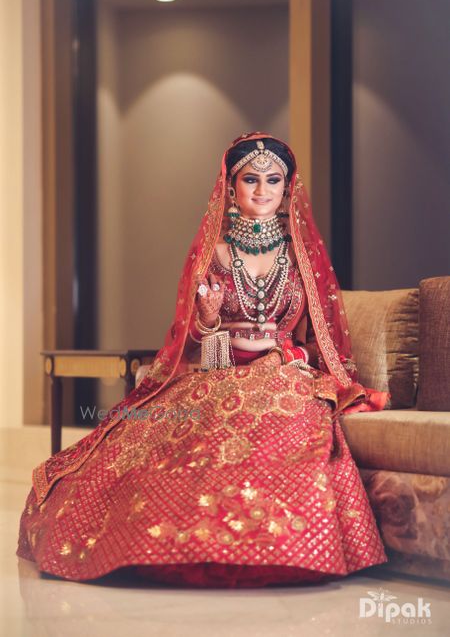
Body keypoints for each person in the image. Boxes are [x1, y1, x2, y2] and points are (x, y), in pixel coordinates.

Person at [16, 132, 390, 589]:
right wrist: (210, 320)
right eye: (250, 179)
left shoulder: (301, 262)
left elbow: (319, 343)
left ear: (287, 188)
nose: (262, 190)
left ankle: (279, 546)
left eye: (274, 180)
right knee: (179, 428)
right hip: (217, 373)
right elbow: (192, 344)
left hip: (282, 376)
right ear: (230, 188)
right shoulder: (213, 255)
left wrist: (285, 355)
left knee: (285, 421)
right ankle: (169, 542)